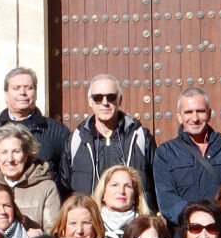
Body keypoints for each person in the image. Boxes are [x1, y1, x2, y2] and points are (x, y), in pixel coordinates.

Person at [153, 87, 221, 224]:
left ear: (209, 114)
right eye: (188, 112)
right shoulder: (166, 153)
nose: (195, 118)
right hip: (186, 233)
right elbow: (168, 201)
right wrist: (198, 221)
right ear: (179, 116)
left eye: (200, 111)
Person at [0, 66, 72, 190]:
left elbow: (67, 179)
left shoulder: (58, 132)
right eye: (16, 88)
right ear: (6, 94)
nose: (22, 93)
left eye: (29, 88)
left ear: (35, 93)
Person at [62, 75, 156, 206]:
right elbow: (64, 187)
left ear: (120, 100)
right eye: (98, 98)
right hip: (91, 222)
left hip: (133, 223)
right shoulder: (76, 140)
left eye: (111, 97)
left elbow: (156, 183)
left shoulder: (139, 137)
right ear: (90, 101)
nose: (105, 102)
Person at [0, 123, 62, 230]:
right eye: (4, 152)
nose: (10, 159)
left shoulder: (47, 188)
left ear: (26, 155)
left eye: (16, 152)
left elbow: (53, 233)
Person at [93, 163, 151, 238]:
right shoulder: (91, 225)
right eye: (114, 185)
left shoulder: (147, 228)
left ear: (135, 195)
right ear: (103, 193)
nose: (121, 191)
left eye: (128, 186)